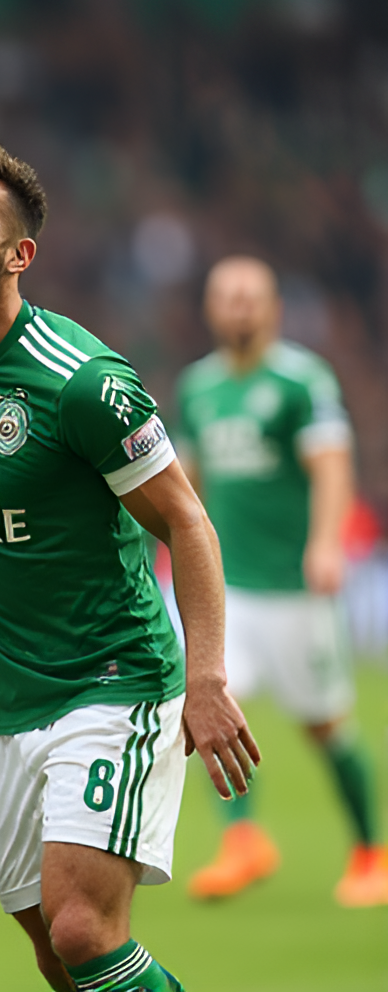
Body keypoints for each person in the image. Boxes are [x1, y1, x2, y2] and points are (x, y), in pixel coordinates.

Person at [0, 138, 261, 992]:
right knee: (52, 950)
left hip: (113, 681)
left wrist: (207, 677)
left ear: (19, 255)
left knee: (83, 930)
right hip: (3, 703)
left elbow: (187, 521)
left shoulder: (82, 382)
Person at [175, 256, 388, 907]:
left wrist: (327, 544)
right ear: (211, 308)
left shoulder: (301, 380)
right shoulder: (197, 387)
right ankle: (243, 841)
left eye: (250, 297)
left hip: (296, 589)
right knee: (216, 707)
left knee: (326, 726)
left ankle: (370, 853)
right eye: (226, 296)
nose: (238, 307)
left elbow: (330, 464)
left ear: (272, 308)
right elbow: (188, 482)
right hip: (230, 589)